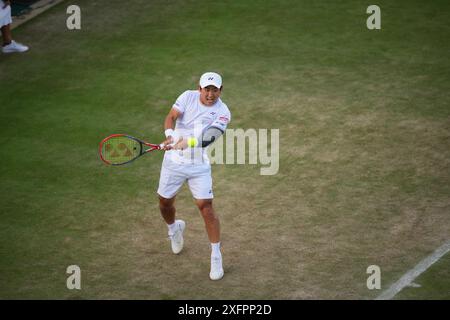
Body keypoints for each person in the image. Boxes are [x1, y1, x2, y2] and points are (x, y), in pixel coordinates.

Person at [158, 72, 231, 280]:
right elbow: (171, 116)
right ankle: (174, 229)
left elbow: (210, 137)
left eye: (214, 90)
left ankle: (216, 256)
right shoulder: (187, 97)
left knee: (206, 208)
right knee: (164, 203)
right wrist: (170, 136)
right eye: (206, 89)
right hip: (173, 163)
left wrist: (187, 142)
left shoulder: (223, 111)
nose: (210, 94)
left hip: (199, 165)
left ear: (220, 90)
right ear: (199, 89)